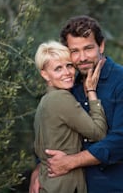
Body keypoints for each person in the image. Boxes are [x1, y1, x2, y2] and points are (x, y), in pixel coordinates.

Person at [30, 15, 123, 193]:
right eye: (75, 51)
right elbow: (52, 130)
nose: (82, 58)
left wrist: (70, 162)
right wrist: (39, 170)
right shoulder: (70, 85)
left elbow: (120, 142)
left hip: (122, 187)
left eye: (88, 48)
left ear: (101, 46)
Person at [31, 40, 107, 193]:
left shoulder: (45, 100)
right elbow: (99, 133)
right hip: (64, 184)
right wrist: (91, 91)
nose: (67, 73)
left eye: (69, 65)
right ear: (45, 74)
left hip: (50, 182)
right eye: (58, 68)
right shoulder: (61, 99)